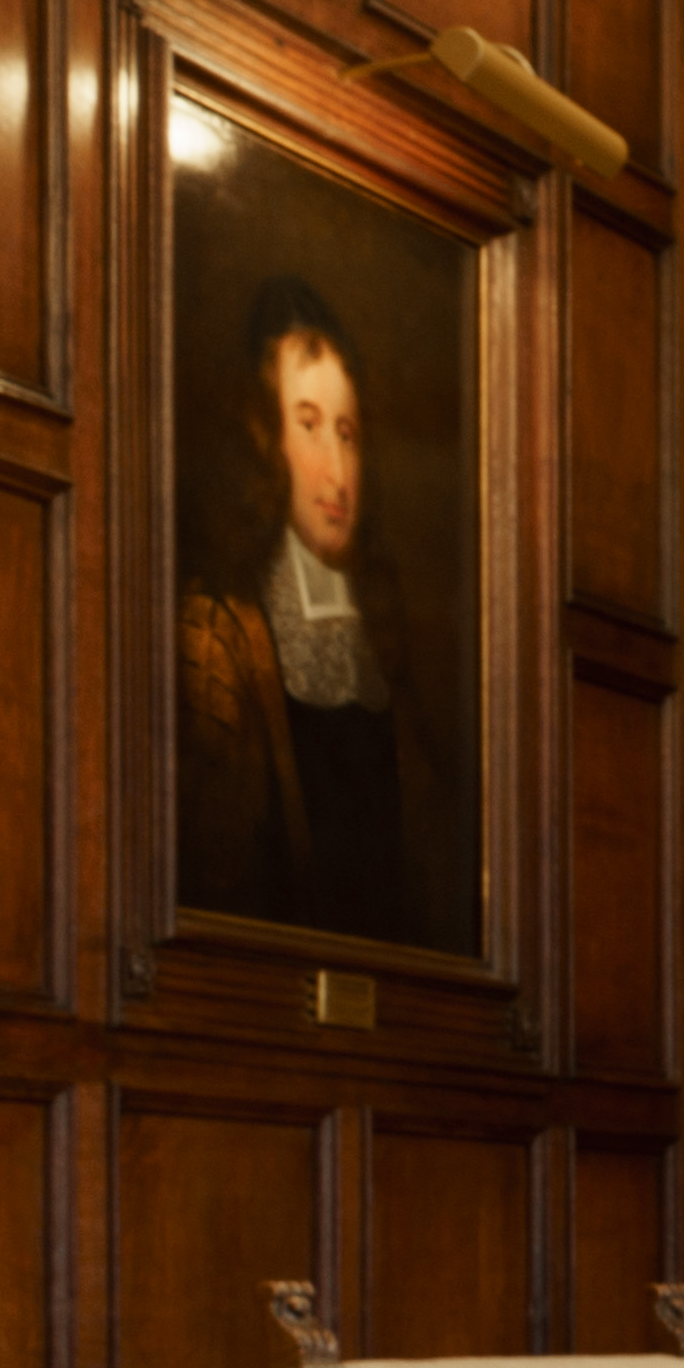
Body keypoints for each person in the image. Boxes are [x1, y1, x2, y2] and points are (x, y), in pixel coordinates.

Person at [179, 273, 465, 955]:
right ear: (263, 435)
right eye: (308, 425)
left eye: (349, 432)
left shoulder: (386, 641)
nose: (337, 471)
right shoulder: (216, 628)